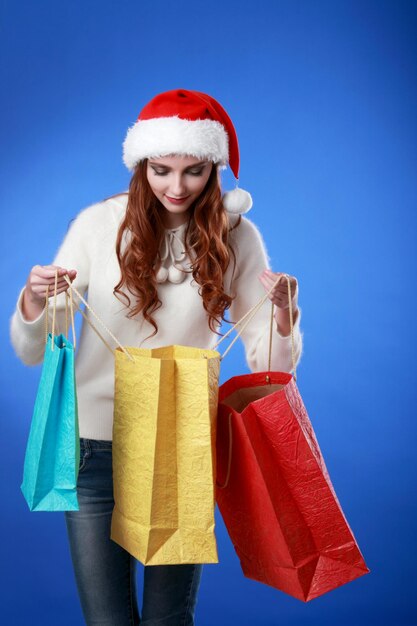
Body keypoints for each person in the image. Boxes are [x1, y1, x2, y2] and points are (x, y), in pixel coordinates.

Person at [10, 88, 303, 626]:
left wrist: (283, 313)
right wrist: (33, 301)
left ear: (214, 169)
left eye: (193, 171)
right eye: (161, 169)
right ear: (141, 164)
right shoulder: (98, 225)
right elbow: (35, 353)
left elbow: (273, 365)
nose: (175, 186)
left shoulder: (239, 236)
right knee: (107, 621)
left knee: (168, 619)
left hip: (180, 438)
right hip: (95, 447)